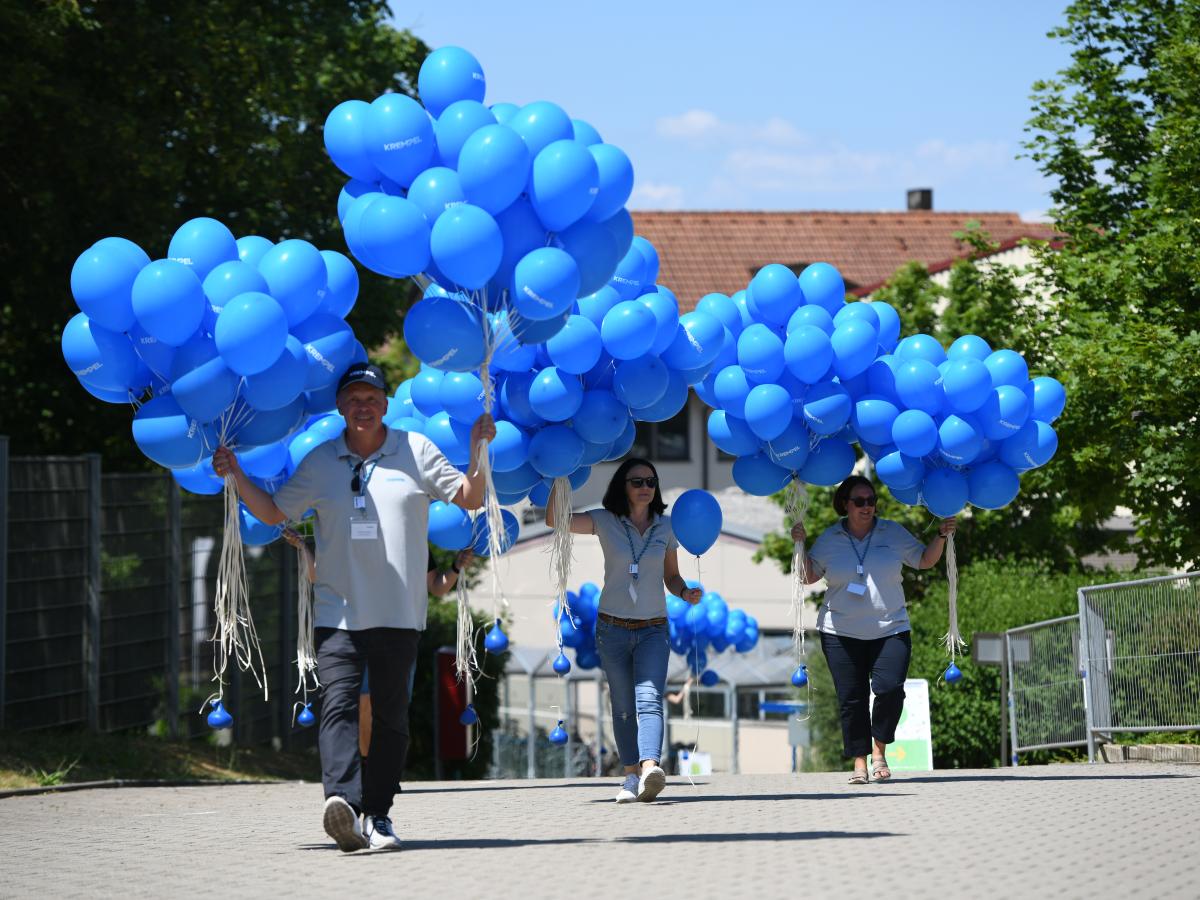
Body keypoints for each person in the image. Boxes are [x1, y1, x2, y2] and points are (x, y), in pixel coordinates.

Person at [213, 362, 495, 852]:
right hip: (336, 614)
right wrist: (235, 473)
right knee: (337, 707)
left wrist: (479, 449)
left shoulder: (416, 449)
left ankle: (379, 815)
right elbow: (276, 511)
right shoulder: (321, 461)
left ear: (385, 404)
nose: (363, 406)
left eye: (371, 398)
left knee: (390, 721)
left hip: (399, 615)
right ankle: (341, 802)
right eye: (353, 399)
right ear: (340, 407)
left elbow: (469, 496)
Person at [546, 458, 703, 803]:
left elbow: (671, 576)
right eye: (637, 481)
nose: (645, 487)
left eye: (651, 481)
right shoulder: (604, 520)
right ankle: (629, 777)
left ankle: (650, 768)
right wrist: (560, 478)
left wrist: (684, 592)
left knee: (649, 700)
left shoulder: (666, 527)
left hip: (653, 629)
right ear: (623, 486)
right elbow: (554, 521)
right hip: (612, 628)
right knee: (621, 707)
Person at [792, 474, 956, 784]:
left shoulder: (891, 532)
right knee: (851, 699)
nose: (867, 507)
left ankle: (879, 751)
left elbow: (923, 560)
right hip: (839, 632)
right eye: (859, 501)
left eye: (871, 501)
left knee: (890, 690)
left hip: (890, 628)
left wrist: (942, 535)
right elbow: (808, 576)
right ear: (845, 504)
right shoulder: (829, 538)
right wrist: (799, 544)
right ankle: (859, 762)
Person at [282, 528, 472, 758]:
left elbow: (436, 587)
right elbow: (317, 575)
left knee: (393, 708)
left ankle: (386, 770)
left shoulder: (412, 541)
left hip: (400, 632)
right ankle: (368, 766)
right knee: (364, 705)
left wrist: (456, 567)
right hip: (357, 631)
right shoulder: (352, 536)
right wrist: (303, 546)